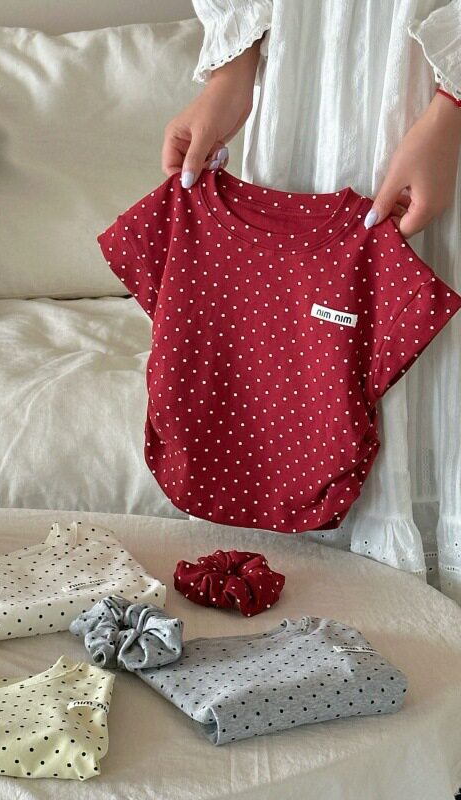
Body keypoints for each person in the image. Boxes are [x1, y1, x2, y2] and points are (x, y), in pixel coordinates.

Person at [161, 1, 461, 600]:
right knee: (298, 364)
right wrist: (232, 71)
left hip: (434, 116)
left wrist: (450, 109)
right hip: (302, 99)